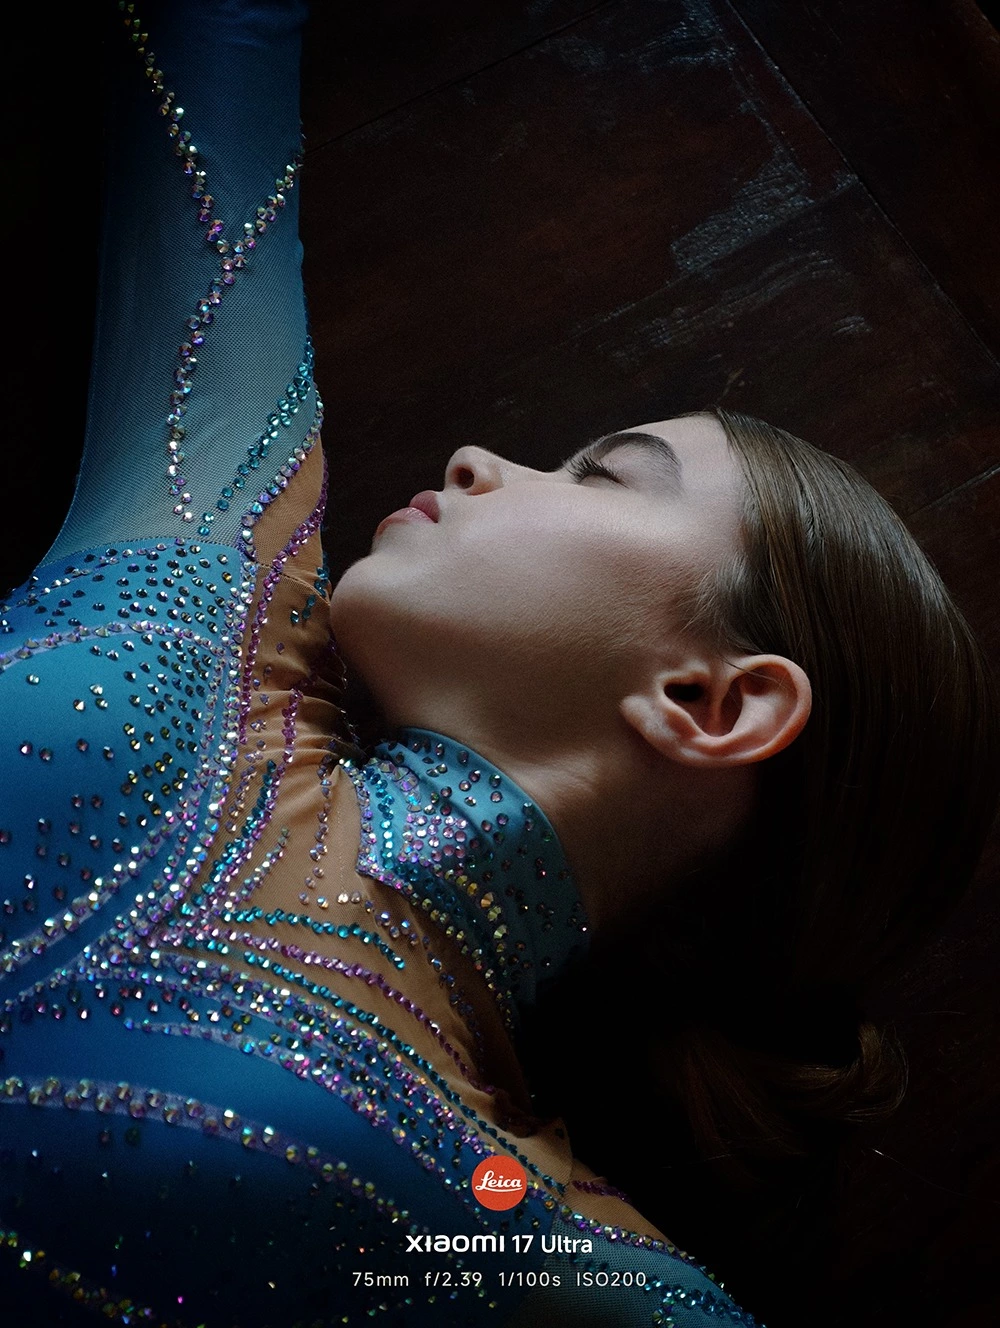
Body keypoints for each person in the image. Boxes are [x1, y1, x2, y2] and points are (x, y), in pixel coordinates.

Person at [0, 3, 995, 1327]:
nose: (478, 459)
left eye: (603, 473)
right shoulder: (219, 586)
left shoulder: (514, 1229)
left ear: (715, 702)